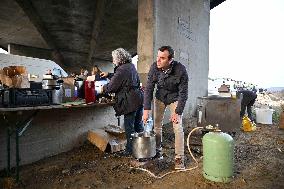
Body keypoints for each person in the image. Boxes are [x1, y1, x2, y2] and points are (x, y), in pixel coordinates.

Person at [143, 46, 189, 170]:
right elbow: (149, 89)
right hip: (160, 97)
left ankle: (179, 159)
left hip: (175, 98)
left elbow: (183, 93)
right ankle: (158, 152)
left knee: (177, 126)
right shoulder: (154, 67)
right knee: (157, 125)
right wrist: (146, 109)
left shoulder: (180, 70)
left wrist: (178, 112)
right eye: (158, 57)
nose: (158, 60)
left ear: (170, 60)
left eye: (162, 58)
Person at [100, 48, 144, 155]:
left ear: (119, 58)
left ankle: (130, 150)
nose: (113, 60)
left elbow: (112, 87)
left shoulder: (121, 69)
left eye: (114, 58)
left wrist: (103, 88)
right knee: (138, 125)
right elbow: (123, 78)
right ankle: (142, 148)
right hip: (138, 98)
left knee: (129, 127)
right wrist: (109, 74)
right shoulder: (130, 66)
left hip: (130, 101)